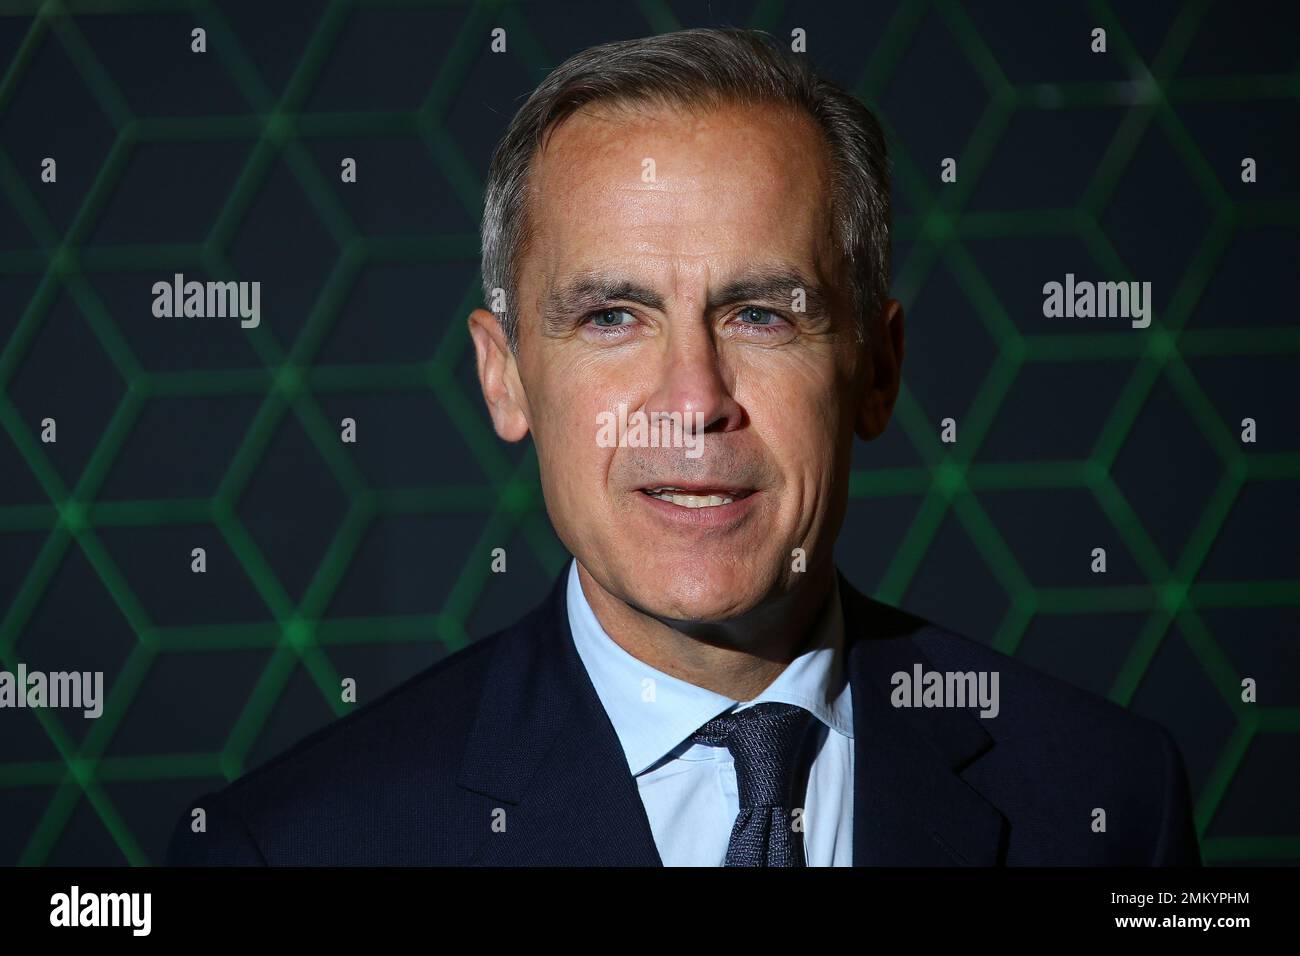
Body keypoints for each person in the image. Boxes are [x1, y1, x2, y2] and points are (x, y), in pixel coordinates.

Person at [166, 27, 1200, 867]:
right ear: (505, 373)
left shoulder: (1108, 799)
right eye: (613, 315)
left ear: (876, 369)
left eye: (761, 313)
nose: (692, 403)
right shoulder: (295, 848)